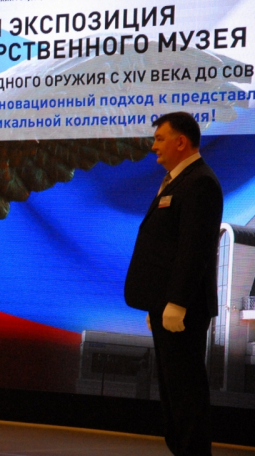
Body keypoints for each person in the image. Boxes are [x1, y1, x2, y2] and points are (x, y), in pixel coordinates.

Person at [124, 111, 223, 456]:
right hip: (166, 305)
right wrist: (158, 301)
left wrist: (177, 302)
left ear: (181, 142)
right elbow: (167, 248)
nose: (153, 146)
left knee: (186, 394)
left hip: (185, 308)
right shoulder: (176, 180)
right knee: (172, 394)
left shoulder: (200, 182)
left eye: (160, 139)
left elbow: (194, 250)